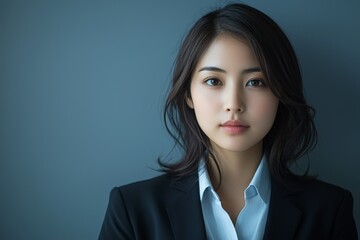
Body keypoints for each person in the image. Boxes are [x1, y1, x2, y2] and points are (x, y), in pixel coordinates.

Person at [99, 3, 358, 240]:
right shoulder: (131, 210)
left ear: (281, 93)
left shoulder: (330, 210)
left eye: (256, 82)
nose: (233, 103)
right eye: (214, 81)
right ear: (188, 94)